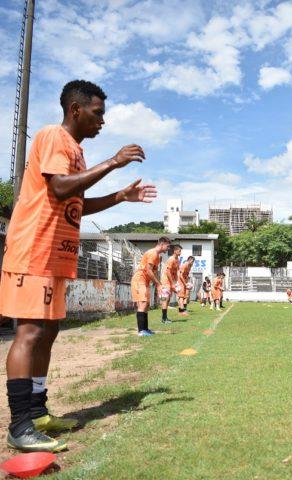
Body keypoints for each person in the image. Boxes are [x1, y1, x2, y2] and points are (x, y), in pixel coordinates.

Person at [0, 80, 156, 452]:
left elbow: (76, 204)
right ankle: (20, 425)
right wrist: (114, 161)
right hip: (33, 250)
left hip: (57, 254)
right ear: (75, 109)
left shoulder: (77, 154)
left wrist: (120, 196)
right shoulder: (54, 136)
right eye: (97, 113)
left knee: (49, 331)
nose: (102, 121)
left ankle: (37, 412)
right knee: (30, 333)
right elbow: (57, 189)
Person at [131, 238, 171, 336]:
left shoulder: (157, 256)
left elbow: (154, 272)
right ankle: (141, 331)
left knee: (146, 305)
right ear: (162, 244)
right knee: (143, 304)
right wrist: (158, 284)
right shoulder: (152, 253)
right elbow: (148, 270)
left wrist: (159, 285)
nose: (168, 248)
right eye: (168, 246)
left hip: (145, 281)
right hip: (139, 280)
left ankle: (145, 329)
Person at [160, 244, 182, 323]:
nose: (180, 252)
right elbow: (168, 271)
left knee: (168, 299)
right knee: (165, 299)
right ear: (175, 251)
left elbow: (177, 272)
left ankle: (165, 317)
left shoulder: (177, 260)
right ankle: (163, 318)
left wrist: (176, 283)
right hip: (166, 281)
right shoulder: (171, 259)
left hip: (171, 282)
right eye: (179, 251)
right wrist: (172, 283)